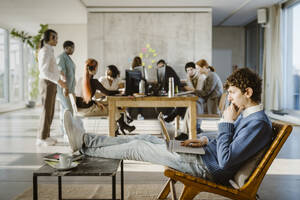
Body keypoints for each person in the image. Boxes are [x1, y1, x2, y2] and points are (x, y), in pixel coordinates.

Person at [64, 67, 273, 186]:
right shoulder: (250, 117)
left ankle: (83, 143)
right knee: (145, 139)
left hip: (206, 167)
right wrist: (205, 140)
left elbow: (226, 162)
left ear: (248, 92)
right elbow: (231, 144)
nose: (229, 98)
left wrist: (226, 122)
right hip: (203, 155)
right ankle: (85, 141)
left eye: (233, 93)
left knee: (138, 146)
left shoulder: (259, 125)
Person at [76, 59, 134, 134]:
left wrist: (95, 102)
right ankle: (121, 125)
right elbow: (108, 93)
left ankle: (118, 128)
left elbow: (80, 98)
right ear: (95, 69)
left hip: (80, 110)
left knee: (110, 104)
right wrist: (119, 91)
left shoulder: (80, 79)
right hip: (88, 110)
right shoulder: (95, 82)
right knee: (112, 108)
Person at [37, 29, 67, 146]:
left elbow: (51, 68)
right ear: (49, 38)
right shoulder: (45, 51)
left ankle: (46, 135)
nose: (57, 40)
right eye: (55, 38)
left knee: (50, 111)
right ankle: (42, 137)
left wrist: (60, 73)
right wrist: (59, 81)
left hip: (51, 83)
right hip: (47, 83)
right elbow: (44, 72)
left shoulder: (49, 50)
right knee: (46, 110)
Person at [98, 65, 135, 134]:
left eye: (109, 71)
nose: (107, 72)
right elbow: (100, 93)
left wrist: (126, 92)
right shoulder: (102, 79)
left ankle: (116, 129)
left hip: (113, 101)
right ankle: (123, 124)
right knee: (112, 106)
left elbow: (122, 89)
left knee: (112, 106)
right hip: (102, 100)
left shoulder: (117, 80)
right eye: (107, 71)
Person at [56, 40, 76, 141]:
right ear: (66, 48)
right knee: (68, 110)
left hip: (69, 89)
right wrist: (65, 87)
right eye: (72, 48)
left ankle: (65, 132)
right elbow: (61, 72)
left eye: (73, 48)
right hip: (64, 89)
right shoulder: (61, 57)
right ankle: (67, 132)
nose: (73, 50)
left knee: (64, 110)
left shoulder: (68, 58)